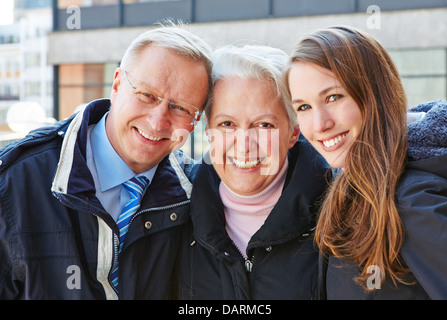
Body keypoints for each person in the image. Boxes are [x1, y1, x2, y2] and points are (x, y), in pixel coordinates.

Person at [0, 24, 213, 299]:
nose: (158, 120)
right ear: (116, 85)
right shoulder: (13, 182)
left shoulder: (197, 196)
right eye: (147, 95)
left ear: (195, 122)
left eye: (180, 107)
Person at [285, 25, 447, 299]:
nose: (319, 124)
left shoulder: (413, 202)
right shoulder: (358, 182)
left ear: (376, 94)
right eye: (303, 107)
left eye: (334, 97)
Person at [176, 44, 329, 299]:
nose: (244, 144)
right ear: (208, 128)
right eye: (227, 124)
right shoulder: (173, 212)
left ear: (293, 132)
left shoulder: (339, 216)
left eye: (264, 125)